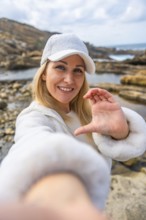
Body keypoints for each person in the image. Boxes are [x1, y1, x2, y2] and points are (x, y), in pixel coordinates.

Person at [0, 33, 146, 219]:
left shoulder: (88, 109)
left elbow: (127, 152)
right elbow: (34, 147)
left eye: (78, 70)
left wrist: (120, 132)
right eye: (60, 67)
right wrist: (66, 202)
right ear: (44, 73)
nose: (69, 79)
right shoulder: (33, 117)